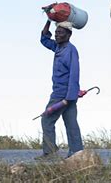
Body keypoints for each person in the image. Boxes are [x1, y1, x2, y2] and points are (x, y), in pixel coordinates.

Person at [36, 20, 83, 160]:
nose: (56, 35)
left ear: (69, 35)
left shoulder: (71, 50)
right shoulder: (58, 47)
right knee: (71, 122)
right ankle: (77, 152)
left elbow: (75, 73)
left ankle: (50, 152)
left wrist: (69, 97)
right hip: (67, 93)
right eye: (56, 32)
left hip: (63, 93)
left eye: (60, 32)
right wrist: (49, 20)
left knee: (46, 119)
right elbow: (44, 39)